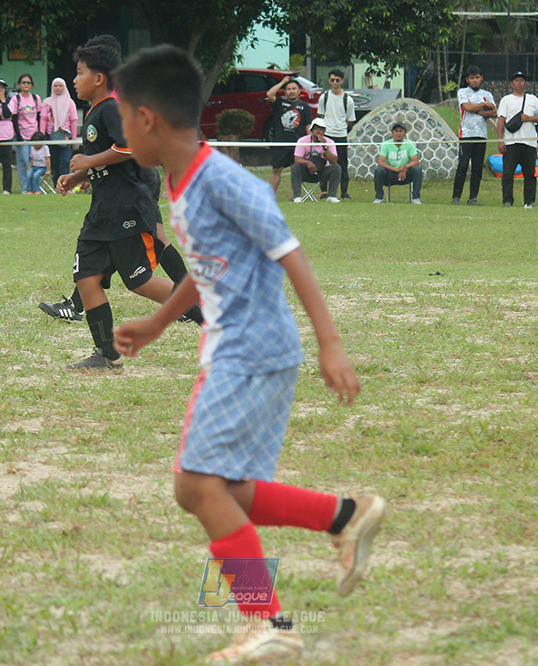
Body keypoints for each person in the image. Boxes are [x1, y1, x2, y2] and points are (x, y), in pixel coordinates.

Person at [111, 44, 385, 664]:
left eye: (124, 118)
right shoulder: (181, 180)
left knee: (194, 485)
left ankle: (268, 621)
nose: (122, 130)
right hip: (233, 347)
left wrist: (331, 342)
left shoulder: (223, 179)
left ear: (147, 118)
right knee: (225, 487)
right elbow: (209, 265)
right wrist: (158, 320)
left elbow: (290, 252)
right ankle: (346, 515)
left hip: (251, 349)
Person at [54, 42, 201, 370]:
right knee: (86, 277)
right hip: (101, 212)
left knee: (140, 283)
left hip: (127, 210)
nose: (74, 79)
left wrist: (88, 160)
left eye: (79, 73)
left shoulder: (110, 109)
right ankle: (108, 355)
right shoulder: (94, 112)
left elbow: (131, 147)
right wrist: (77, 177)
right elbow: (105, 162)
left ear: (99, 78)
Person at [497, 71, 538, 209]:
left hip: (529, 142)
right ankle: (507, 200)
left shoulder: (533, 99)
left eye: (522, 80)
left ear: (525, 83)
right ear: (512, 84)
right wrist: (500, 140)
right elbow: (501, 120)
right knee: (508, 173)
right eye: (516, 80)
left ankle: (530, 201)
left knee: (530, 173)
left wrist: (529, 118)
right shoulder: (506, 100)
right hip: (511, 142)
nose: (519, 83)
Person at [452, 65, 496, 206]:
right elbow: (467, 107)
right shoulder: (463, 92)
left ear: (481, 78)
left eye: (477, 77)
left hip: (481, 135)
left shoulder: (487, 94)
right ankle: (456, 197)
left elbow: (493, 112)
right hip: (466, 134)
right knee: (463, 166)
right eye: (472, 78)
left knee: (477, 167)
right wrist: (483, 106)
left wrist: (477, 110)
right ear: (467, 80)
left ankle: (473, 198)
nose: (475, 81)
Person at [266, 74, 311, 196]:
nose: (291, 91)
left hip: (297, 144)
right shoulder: (280, 103)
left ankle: (294, 197)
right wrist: (282, 82)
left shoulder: (304, 107)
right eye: (288, 89)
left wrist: (311, 142)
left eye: (294, 89)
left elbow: (308, 126)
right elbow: (269, 94)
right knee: (276, 170)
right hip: (280, 143)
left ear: (299, 91)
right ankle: (269, 197)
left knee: (295, 171)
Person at [317, 69, 355, 200]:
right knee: (324, 162)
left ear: (342, 81)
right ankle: (324, 191)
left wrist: (340, 125)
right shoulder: (324, 97)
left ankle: (344, 192)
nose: (334, 83)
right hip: (327, 135)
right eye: (332, 80)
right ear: (329, 81)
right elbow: (321, 115)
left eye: (337, 80)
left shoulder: (348, 100)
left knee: (342, 164)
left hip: (341, 135)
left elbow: (350, 120)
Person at [291, 118, 341, 203]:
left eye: (321, 129)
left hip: (322, 173)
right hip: (307, 171)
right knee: (295, 167)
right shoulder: (302, 141)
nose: (318, 131)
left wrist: (325, 146)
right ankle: (297, 196)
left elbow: (334, 161)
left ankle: (332, 196)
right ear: (311, 130)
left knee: (336, 167)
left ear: (325, 131)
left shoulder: (330, 142)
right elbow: (297, 158)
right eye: (316, 128)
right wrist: (308, 163)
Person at [372, 122, 422, 204]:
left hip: (405, 174)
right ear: (392, 132)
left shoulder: (409, 144)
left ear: (405, 133)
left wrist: (404, 168)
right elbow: (381, 162)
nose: (398, 133)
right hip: (391, 173)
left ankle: (416, 198)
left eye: (401, 131)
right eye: (396, 131)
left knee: (417, 169)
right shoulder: (386, 144)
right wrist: (396, 169)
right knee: (379, 170)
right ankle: (379, 197)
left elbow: (416, 161)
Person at [40, 77, 76, 188]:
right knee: (54, 163)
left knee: (65, 162)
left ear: (64, 87)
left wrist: (73, 139)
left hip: (66, 136)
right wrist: (41, 136)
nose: (58, 88)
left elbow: (73, 121)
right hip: (51, 136)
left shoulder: (70, 102)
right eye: (55, 86)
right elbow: (43, 119)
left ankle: (65, 185)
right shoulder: (47, 102)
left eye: (60, 86)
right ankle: (57, 186)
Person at [13, 73, 42, 194]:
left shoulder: (36, 98)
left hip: (34, 135)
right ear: (19, 84)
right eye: (23, 82)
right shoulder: (16, 99)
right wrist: (18, 136)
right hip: (22, 135)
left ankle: (35, 188)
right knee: (24, 162)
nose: (26, 85)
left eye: (28, 83)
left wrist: (40, 134)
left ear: (32, 85)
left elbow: (40, 117)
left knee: (37, 162)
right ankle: (24, 188)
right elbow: (14, 118)